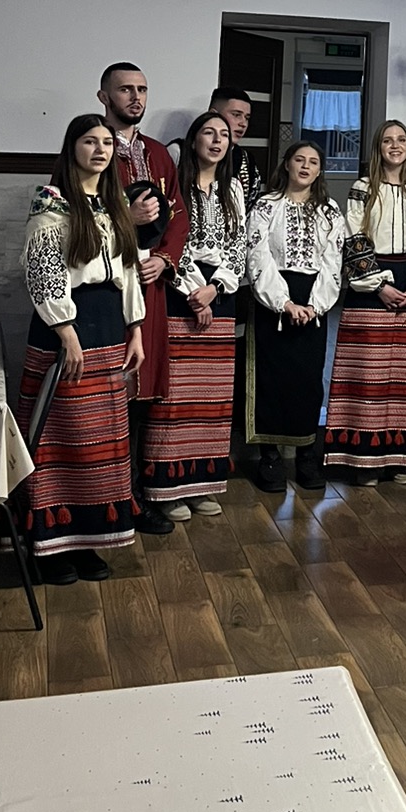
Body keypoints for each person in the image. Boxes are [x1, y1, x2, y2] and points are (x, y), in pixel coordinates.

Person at [17, 114, 145, 584]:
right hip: (66, 326)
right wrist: (66, 332)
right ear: (72, 147)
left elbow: (128, 270)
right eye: (90, 141)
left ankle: (90, 537)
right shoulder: (52, 202)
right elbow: (43, 270)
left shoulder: (114, 203)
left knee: (101, 441)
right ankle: (50, 546)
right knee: (62, 436)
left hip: (109, 327)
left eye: (107, 142)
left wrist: (135, 330)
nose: (100, 150)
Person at [97, 60, 187, 537]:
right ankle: (101, 498)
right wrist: (126, 220)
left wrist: (166, 260)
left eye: (142, 89)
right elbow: (76, 213)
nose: (135, 98)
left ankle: (132, 496)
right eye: (125, 89)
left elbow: (179, 214)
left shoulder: (156, 153)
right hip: (104, 288)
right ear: (103, 97)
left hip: (150, 287)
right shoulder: (90, 147)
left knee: (141, 396)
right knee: (104, 394)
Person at [142, 111, 246, 520]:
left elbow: (238, 246)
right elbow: (168, 240)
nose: (217, 141)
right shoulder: (174, 183)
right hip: (177, 293)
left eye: (224, 135)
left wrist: (214, 289)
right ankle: (166, 488)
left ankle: (202, 484)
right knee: (176, 396)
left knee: (211, 397)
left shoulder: (233, 188)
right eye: (209, 133)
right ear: (193, 140)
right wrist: (192, 293)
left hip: (219, 295)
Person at [246, 141, 364, 492]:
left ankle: (306, 455)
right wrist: (283, 302)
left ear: (319, 170)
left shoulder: (329, 211)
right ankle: (270, 456)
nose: (306, 166)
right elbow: (258, 255)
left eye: (313, 161)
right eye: (299, 159)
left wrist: (315, 305)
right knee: (271, 379)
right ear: (287, 164)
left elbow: (333, 260)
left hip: (313, 301)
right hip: (274, 300)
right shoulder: (265, 206)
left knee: (308, 380)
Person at [324, 120, 406, 485]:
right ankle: (364, 460)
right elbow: (354, 237)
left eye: (401, 139)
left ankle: (400, 459)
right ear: (378, 147)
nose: (395, 145)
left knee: (405, 378)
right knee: (368, 375)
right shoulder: (363, 188)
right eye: (388, 140)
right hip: (372, 286)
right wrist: (379, 286)